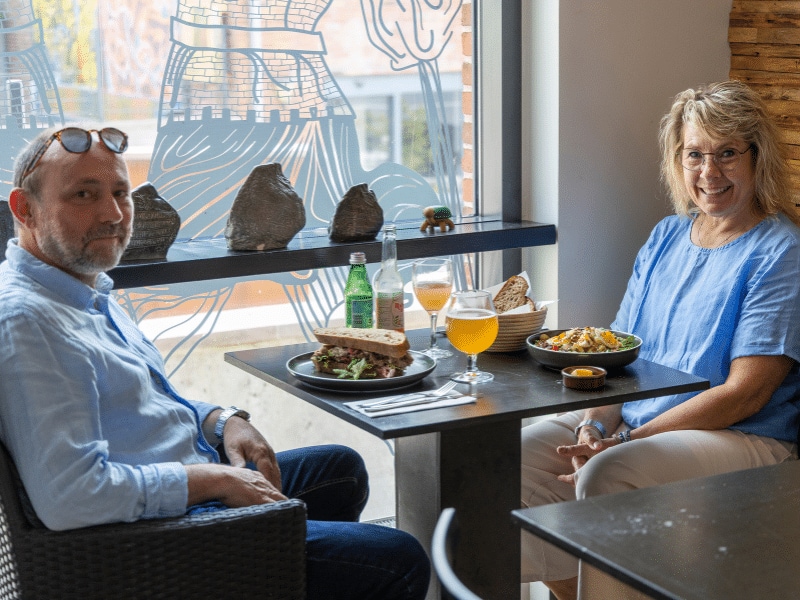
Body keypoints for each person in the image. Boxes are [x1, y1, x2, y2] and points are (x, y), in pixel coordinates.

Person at [0, 126, 430, 600]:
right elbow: (70, 497)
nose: (113, 213)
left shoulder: (81, 289)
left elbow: (142, 400)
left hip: (182, 482)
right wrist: (216, 480)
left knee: (342, 471)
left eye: (121, 192)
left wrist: (221, 421)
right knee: (400, 559)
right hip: (155, 544)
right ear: (24, 209)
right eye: (84, 194)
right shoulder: (28, 321)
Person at [520, 80, 800, 600]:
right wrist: (592, 426)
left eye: (727, 154)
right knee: (517, 456)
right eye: (695, 154)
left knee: (608, 471)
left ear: (757, 158)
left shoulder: (780, 250)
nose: (709, 172)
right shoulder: (666, 235)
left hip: (747, 435)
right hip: (637, 421)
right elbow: (618, 357)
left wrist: (623, 441)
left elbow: (747, 393)